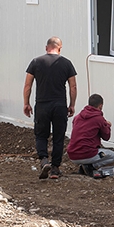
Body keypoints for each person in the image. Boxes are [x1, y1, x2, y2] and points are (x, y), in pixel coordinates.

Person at [23, 36, 77, 180]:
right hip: (59, 106)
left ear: (46, 48)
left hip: (42, 105)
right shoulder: (66, 63)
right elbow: (73, 86)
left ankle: (44, 160)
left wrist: (26, 103)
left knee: (41, 135)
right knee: (58, 137)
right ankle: (55, 169)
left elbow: (28, 85)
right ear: (59, 48)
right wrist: (72, 104)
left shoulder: (36, 62)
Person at [68, 93, 114, 177]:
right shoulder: (99, 119)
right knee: (113, 155)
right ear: (100, 106)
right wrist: (108, 125)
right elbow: (106, 137)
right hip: (87, 154)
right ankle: (90, 166)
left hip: (72, 154)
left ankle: (83, 166)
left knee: (92, 150)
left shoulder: (77, 117)